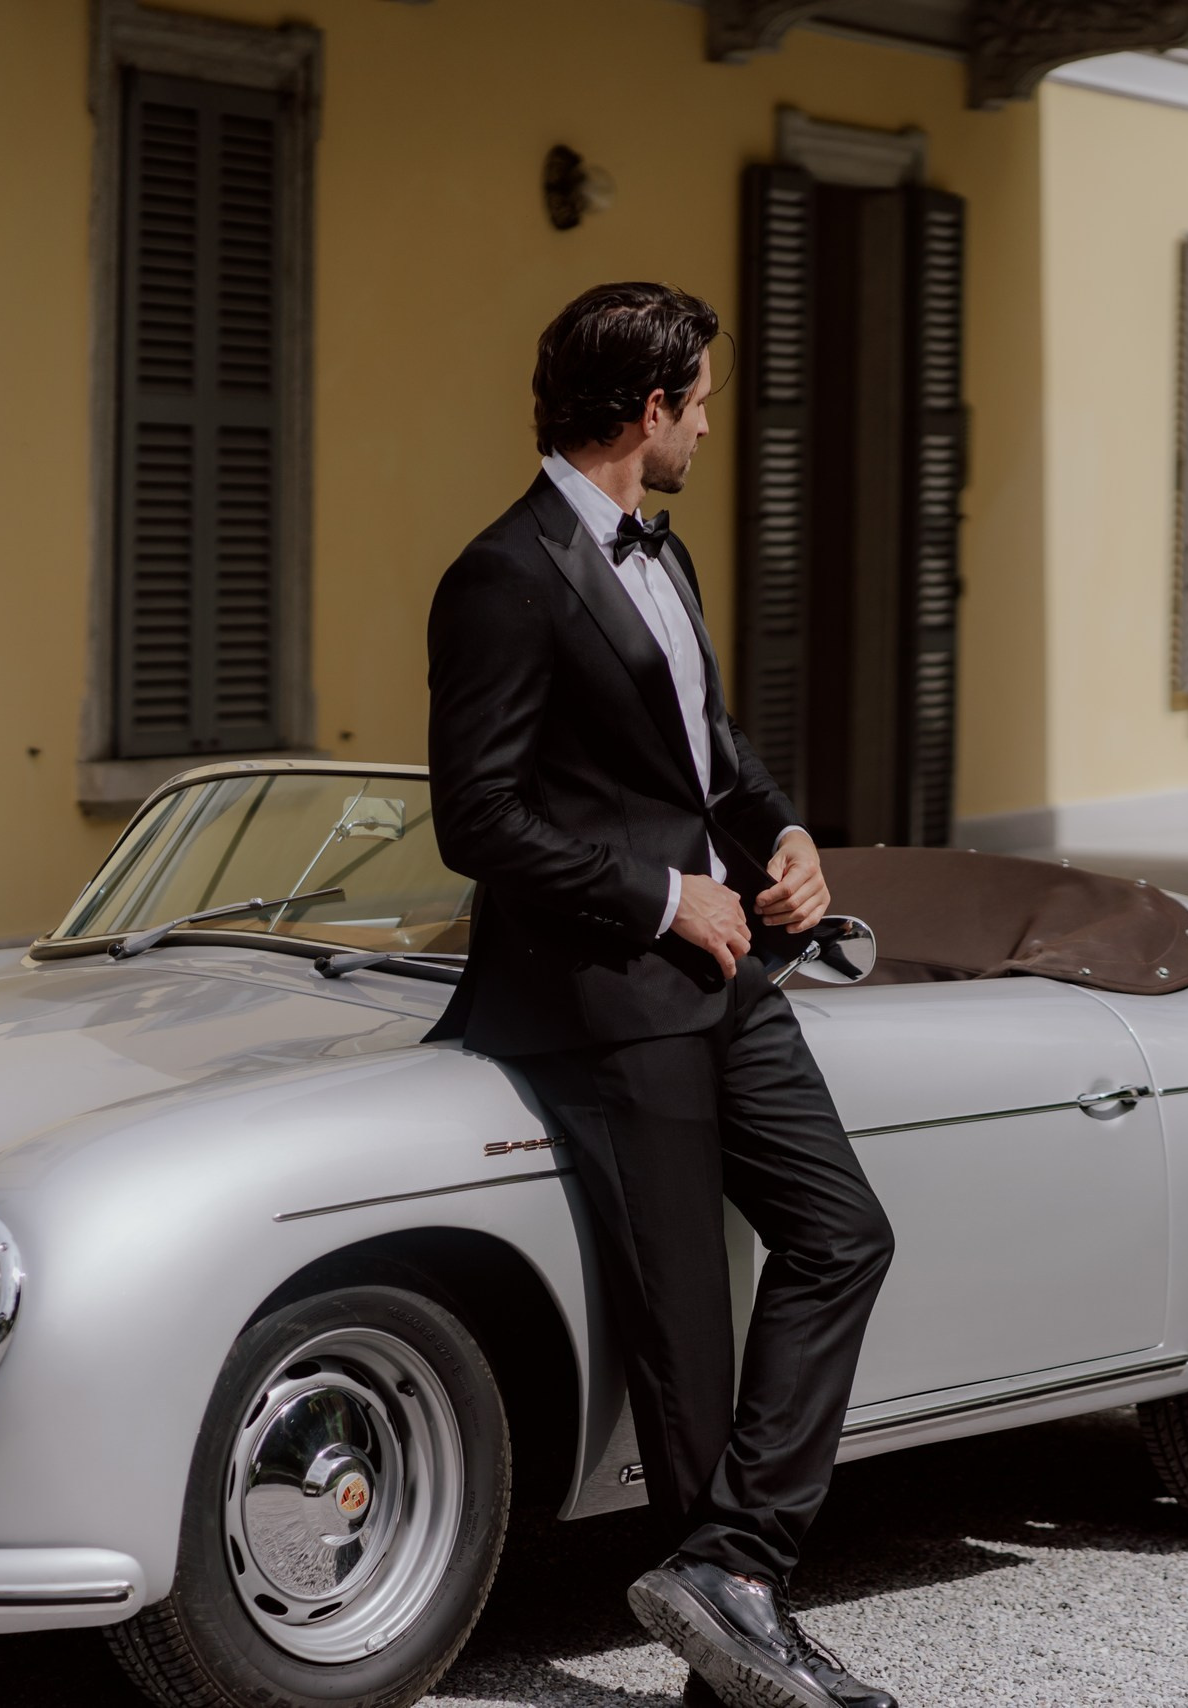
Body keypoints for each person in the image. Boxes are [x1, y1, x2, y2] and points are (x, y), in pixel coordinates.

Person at [427, 281, 899, 1708]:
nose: (709, 422)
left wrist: (785, 838)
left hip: (733, 973)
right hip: (601, 992)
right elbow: (477, 819)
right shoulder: (501, 576)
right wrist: (656, 897)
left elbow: (706, 754)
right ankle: (736, 1658)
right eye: (699, 400)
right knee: (686, 1336)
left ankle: (734, 1571)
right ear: (650, 410)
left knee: (842, 1235)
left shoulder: (665, 559)